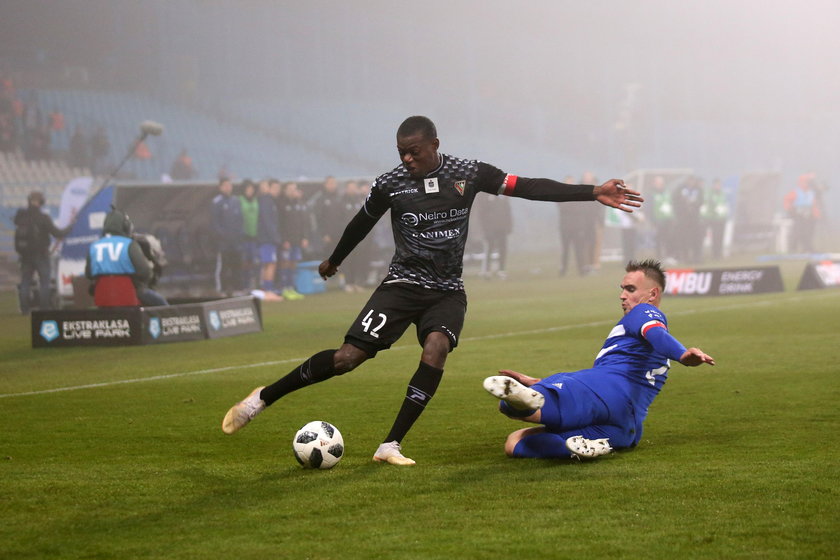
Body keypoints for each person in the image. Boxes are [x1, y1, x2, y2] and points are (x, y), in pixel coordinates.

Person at [222, 116, 643, 465]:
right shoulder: (390, 184)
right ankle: (262, 398)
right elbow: (361, 222)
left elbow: (528, 187)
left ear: (434, 144)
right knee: (347, 358)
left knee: (436, 348)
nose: (408, 159)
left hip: (446, 291)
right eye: (401, 152)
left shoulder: (468, 173)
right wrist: (336, 259)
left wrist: (592, 193)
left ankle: (390, 445)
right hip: (401, 285)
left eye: (415, 151)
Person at [482, 259, 714, 461]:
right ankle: (581, 446)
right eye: (622, 288)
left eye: (630, 289)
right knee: (515, 443)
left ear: (652, 294)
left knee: (509, 407)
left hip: (601, 391)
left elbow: (656, 333)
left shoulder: (643, 312)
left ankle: (528, 399)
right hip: (626, 427)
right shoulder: (649, 353)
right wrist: (538, 380)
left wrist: (683, 355)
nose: (622, 295)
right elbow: (656, 340)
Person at [85, 209, 168, 307]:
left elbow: (89, 274)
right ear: (125, 226)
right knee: (161, 303)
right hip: (128, 295)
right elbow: (145, 272)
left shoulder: (94, 246)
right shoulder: (129, 244)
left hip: (102, 298)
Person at [14, 191, 69, 314]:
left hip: (25, 255)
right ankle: (44, 309)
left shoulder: (21, 216)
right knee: (44, 282)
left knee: (25, 282)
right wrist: (70, 227)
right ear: (40, 202)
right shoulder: (43, 218)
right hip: (41, 255)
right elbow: (58, 233)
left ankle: (25, 310)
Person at [211, 177, 244, 296]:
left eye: (229, 185)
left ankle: (237, 289)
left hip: (236, 241)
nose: (228, 187)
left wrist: (240, 234)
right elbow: (215, 222)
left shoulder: (236, 200)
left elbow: (240, 219)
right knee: (223, 266)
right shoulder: (216, 201)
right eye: (225, 185)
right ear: (220, 187)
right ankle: (222, 290)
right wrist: (223, 236)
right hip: (224, 242)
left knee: (237, 265)